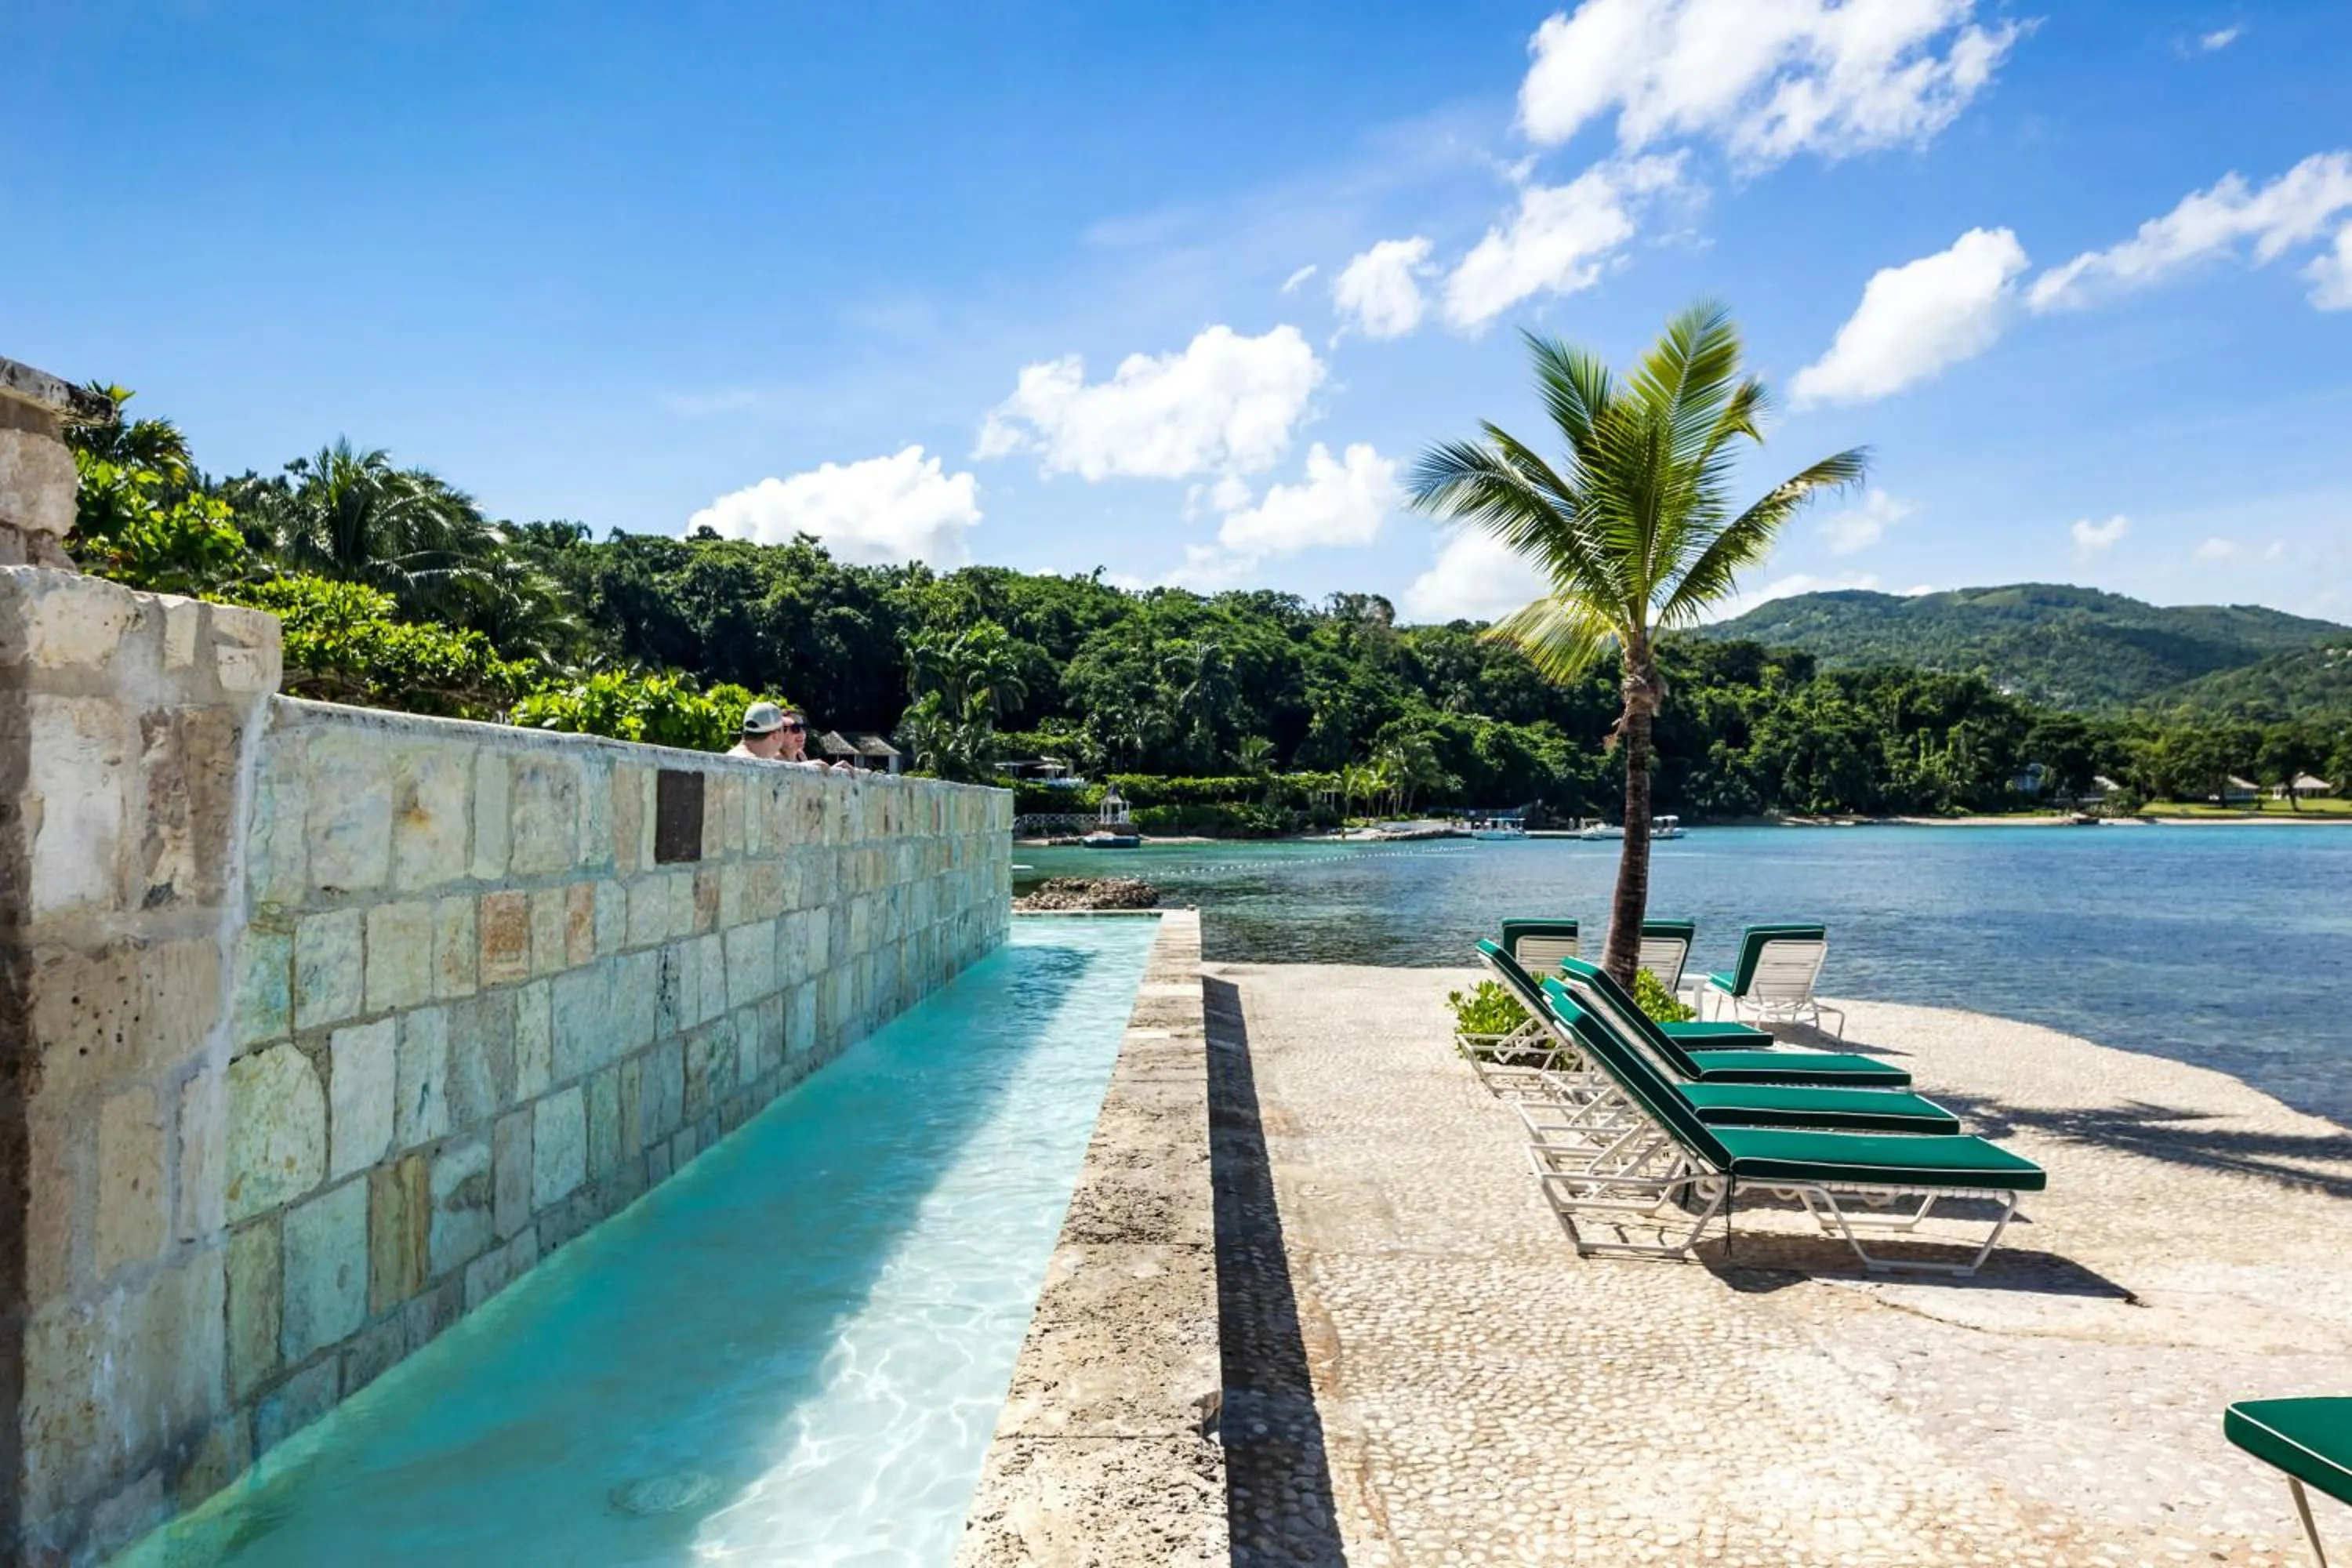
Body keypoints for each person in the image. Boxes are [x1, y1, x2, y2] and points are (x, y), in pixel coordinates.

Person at [728, 702, 850, 771]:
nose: (801, 733)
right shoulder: (748, 763)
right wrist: (801, 770)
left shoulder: (739, 758)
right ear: (776, 734)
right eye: (785, 730)